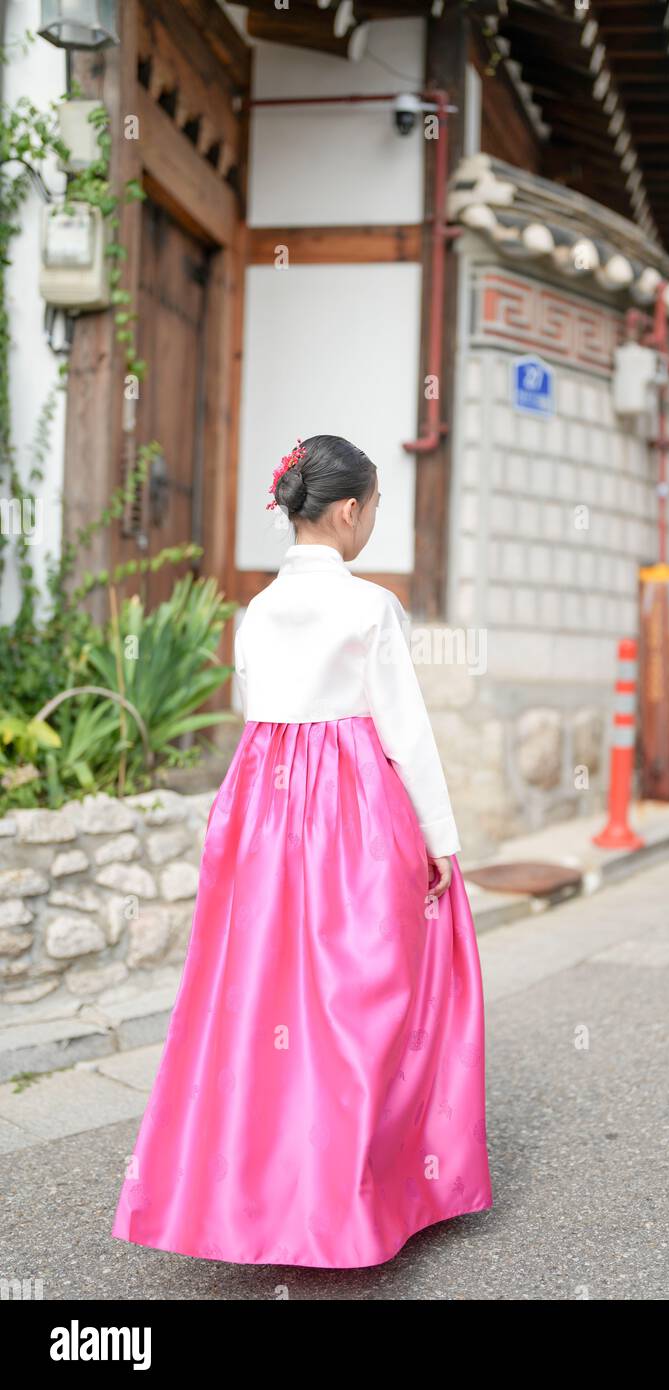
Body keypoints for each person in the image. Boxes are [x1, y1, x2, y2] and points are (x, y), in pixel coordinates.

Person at [111, 434, 493, 1268]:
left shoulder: (255, 612)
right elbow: (406, 732)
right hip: (350, 810)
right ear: (350, 510)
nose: (373, 521)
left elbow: (254, 705)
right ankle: (350, 1195)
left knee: (260, 997)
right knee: (360, 996)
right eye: (375, 507)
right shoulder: (371, 608)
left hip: (261, 810)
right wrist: (440, 839)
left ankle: (260, 1192)